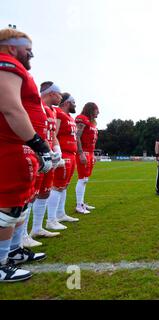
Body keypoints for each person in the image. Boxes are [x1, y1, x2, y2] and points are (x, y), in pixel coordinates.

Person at [0, 27, 51, 282]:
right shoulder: (6, 64)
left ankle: (13, 252)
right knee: (7, 207)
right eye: (26, 47)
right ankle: (0, 262)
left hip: (18, 145)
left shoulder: (13, 66)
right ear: (11, 47)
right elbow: (10, 106)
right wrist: (38, 142)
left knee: (19, 205)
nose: (31, 53)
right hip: (9, 145)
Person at [23, 82, 65, 248]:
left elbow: (53, 135)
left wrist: (56, 151)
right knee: (29, 195)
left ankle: (37, 228)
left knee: (44, 192)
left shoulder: (51, 111)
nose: (61, 97)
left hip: (47, 155)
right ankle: (23, 235)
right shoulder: (34, 105)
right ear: (51, 93)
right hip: (35, 154)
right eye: (59, 94)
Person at [46, 93, 79, 230]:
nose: (75, 105)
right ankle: (51, 219)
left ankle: (60, 214)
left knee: (64, 185)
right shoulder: (58, 113)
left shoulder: (69, 117)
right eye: (73, 102)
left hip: (71, 154)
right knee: (57, 186)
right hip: (63, 153)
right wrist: (57, 152)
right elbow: (54, 134)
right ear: (67, 103)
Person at [75, 102, 99, 212]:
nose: (98, 112)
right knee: (82, 179)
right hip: (84, 151)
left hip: (90, 152)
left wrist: (93, 155)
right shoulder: (82, 119)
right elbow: (77, 136)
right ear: (90, 109)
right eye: (96, 109)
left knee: (85, 179)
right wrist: (80, 152)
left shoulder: (92, 122)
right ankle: (79, 205)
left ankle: (82, 202)